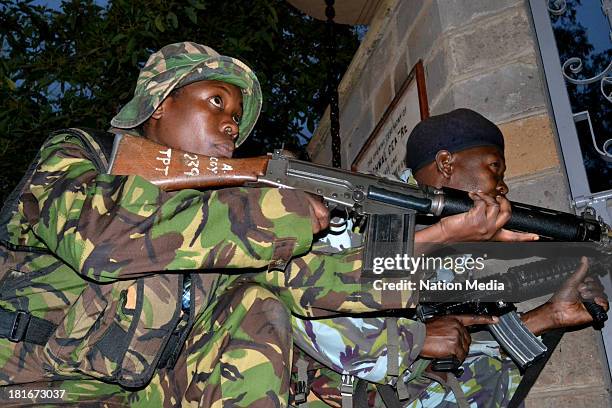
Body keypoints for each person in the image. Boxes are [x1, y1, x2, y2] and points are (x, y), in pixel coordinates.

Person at [0, 42, 516, 407]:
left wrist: (441, 236)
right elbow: (101, 239)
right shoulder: (78, 155)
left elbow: (316, 287)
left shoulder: (230, 215)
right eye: (216, 102)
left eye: (238, 117)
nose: (230, 123)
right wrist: (277, 209)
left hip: (128, 396)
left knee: (258, 304)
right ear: (159, 105)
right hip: (29, 385)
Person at [292, 109, 609, 407]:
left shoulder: (443, 257)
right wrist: (418, 340)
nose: (504, 185)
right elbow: (311, 311)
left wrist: (549, 317)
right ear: (446, 163)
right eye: (494, 166)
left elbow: (451, 364)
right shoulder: (368, 212)